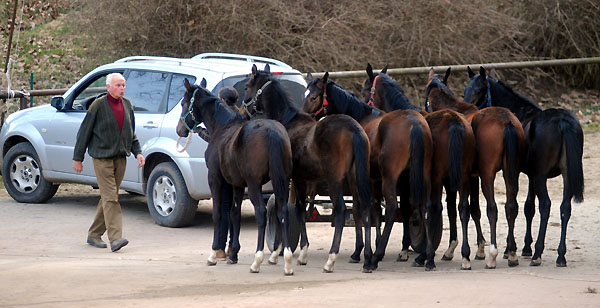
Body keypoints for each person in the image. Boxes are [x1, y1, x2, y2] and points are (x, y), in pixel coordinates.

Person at [73, 72, 145, 252]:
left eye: (123, 85)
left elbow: (131, 132)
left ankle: (94, 234)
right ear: (108, 87)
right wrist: (78, 158)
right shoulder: (98, 105)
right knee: (111, 198)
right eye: (118, 85)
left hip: (120, 158)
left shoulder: (127, 105)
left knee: (109, 198)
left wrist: (138, 152)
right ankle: (115, 238)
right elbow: (84, 132)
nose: (122, 89)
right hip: (102, 158)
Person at [214, 86, 239, 259]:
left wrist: (202, 133)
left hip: (227, 168)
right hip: (238, 169)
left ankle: (221, 246)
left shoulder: (224, 119)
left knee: (224, 206)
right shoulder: (239, 116)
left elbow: (219, 141)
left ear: (222, 101)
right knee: (233, 207)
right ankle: (232, 245)